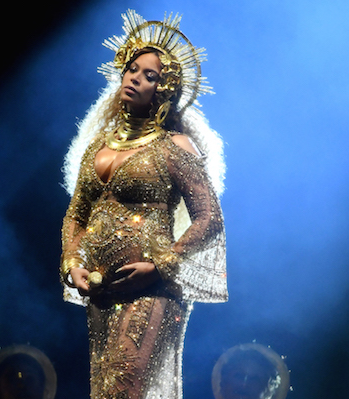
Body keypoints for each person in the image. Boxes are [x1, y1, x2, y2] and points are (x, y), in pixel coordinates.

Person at [59, 9, 227, 399]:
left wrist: (160, 266)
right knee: (106, 393)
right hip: (102, 290)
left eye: (149, 75)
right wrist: (72, 263)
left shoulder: (174, 147)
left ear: (164, 90)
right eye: (132, 69)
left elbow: (209, 217)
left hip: (152, 289)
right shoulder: (97, 150)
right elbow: (76, 214)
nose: (135, 77)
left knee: (125, 388)